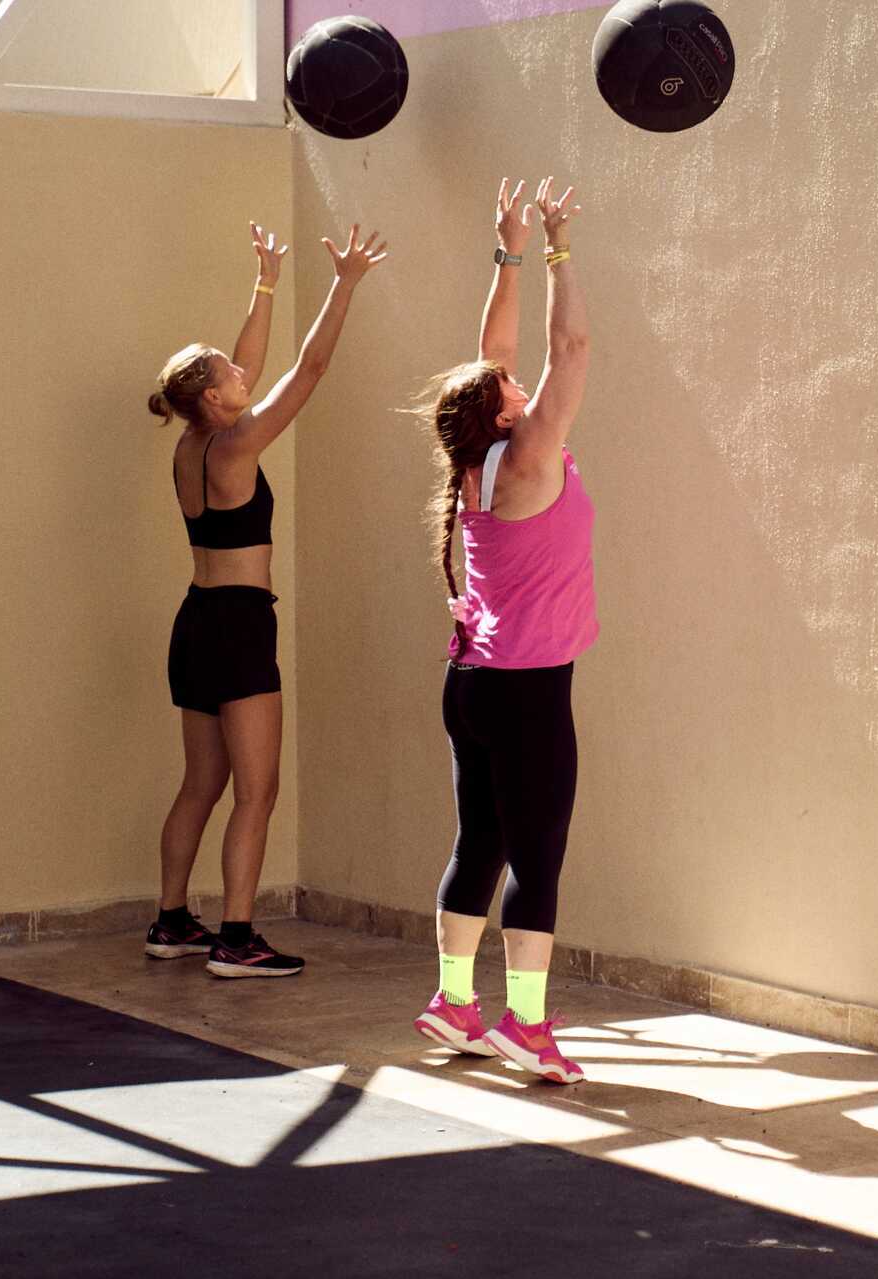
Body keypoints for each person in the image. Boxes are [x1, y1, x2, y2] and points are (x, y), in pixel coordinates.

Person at [146, 221, 388, 978]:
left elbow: (247, 364)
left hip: (195, 623)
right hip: (239, 625)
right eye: (230, 372)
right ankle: (237, 938)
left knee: (202, 783)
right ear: (213, 396)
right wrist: (343, 285)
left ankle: (171, 921)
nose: (242, 369)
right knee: (257, 790)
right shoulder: (238, 443)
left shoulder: (193, 441)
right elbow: (309, 368)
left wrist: (267, 282)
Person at [410, 176, 594, 1083]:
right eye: (512, 386)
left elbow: (496, 354)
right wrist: (558, 248)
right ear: (504, 409)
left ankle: (454, 1002)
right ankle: (525, 1022)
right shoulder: (529, 452)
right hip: (526, 691)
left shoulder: (477, 457)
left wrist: (508, 252)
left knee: (478, 841)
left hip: (472, 685)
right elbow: (572, 346)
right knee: (537, 855)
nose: (519, 379)